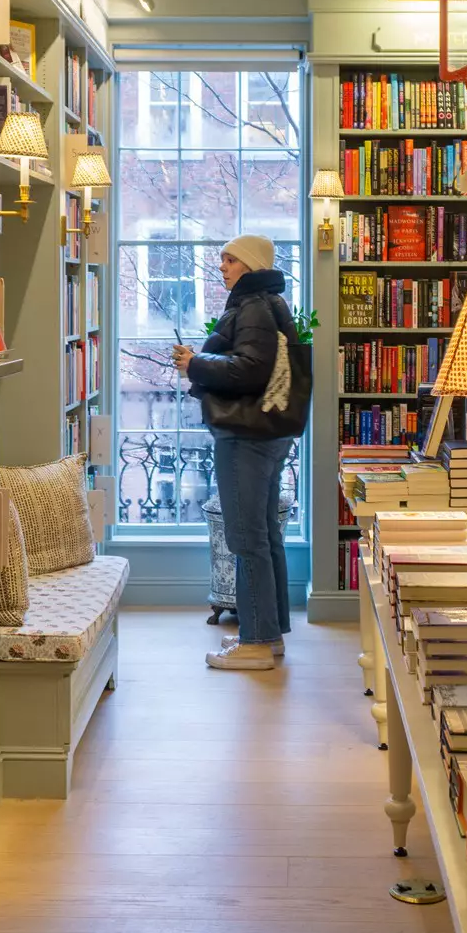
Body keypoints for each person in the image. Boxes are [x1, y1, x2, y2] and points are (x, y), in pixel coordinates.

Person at [175, 235, 297, 671]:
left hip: (247, 436)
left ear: (250, 264)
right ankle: (269, 632)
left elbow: (250, 369)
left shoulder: (253, 307)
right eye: (222, 259)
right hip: (265, 432)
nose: (222, 266)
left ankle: (257, 642)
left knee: (246, 538)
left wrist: (195, 364)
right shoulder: (268, 303)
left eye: (230, 259)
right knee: (264, 534)